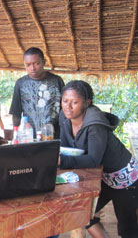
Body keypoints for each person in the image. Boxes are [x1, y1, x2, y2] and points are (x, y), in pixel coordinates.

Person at [59, 80, 138, 238]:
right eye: (64, 100)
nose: (68, 106)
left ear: (87, 102)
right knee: (82, 213)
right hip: (104, 176)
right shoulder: (65, 118)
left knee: (127, 229)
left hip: (125, 178)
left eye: (74, 102)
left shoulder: (95, 125)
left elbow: (94, 160)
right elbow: (67, 148)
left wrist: (62, 161)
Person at [9, 47, 64, 137]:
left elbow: (64, 110)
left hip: (54, 135)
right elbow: (16, 112)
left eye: (36, 63)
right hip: (29, 135)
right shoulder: (21, 83)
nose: (32, 68)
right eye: (28, 65)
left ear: (44, 62)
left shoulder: (56, 81)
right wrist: (16, 134)